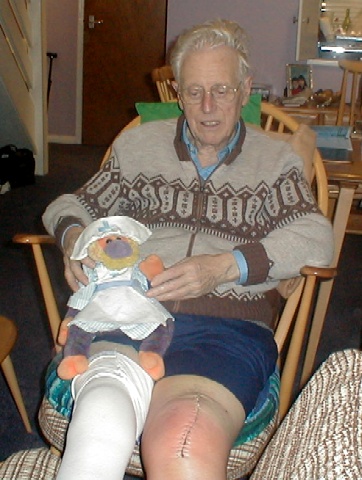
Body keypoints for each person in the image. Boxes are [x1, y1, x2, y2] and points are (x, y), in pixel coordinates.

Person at [42, 18, 334, 480]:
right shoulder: (138, 146)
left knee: (183, 440)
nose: (209, 105)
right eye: (195, 91)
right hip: (130, 313)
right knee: (102, 413)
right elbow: (70, 203)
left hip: (225, 329)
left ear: (244, 90)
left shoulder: (274, 161)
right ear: (178, 93)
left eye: (221, 89)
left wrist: (226, 267)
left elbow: (316, 237)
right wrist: (76, 239)